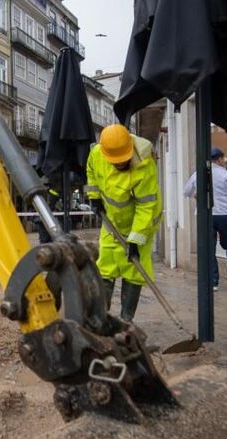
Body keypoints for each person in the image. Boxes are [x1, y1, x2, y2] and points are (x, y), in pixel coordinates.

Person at [85, 124, 163, 321]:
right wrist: (94, 196)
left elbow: (145, 207)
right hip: (111, 222)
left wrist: (136, 240)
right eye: (116, 162)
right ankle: (100, 319)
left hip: (141, 225)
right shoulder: (97, 154)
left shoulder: (144, 166)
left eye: (123, 161)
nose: (120, 164)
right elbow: (92, 172)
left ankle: (126, 320)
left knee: (134, 270)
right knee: (105, 266)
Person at [183, 147, 227, 290]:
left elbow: (186, 191)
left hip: (205, 216)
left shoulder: (198, 174)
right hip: (224, 214)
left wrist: (196, 194)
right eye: (222, 159)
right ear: (218, 159)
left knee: (208, 248)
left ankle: (213, 282)